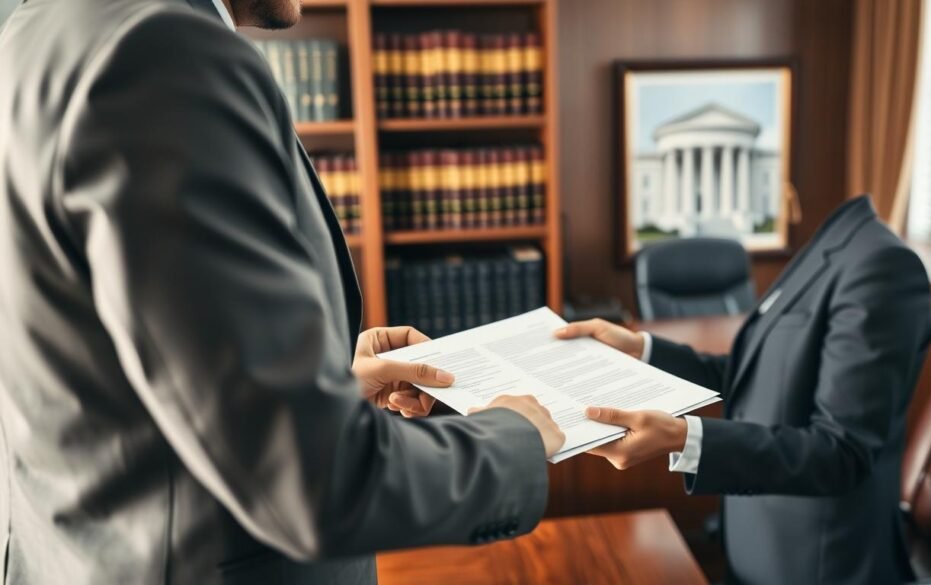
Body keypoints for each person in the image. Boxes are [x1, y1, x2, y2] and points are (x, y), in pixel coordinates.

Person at [0, 0, 564, 582]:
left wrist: (318, 386)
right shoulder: (163, 52)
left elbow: (108, 378)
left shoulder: (39, 29)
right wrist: (513, 439)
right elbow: (309, 479)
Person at [558, 196, 931, 585]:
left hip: (814, 566)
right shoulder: (832, 241)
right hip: (759, 544)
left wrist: (684, 438)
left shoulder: (883, 267)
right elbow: (750, 374)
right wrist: (641, 350)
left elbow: (841, 452)